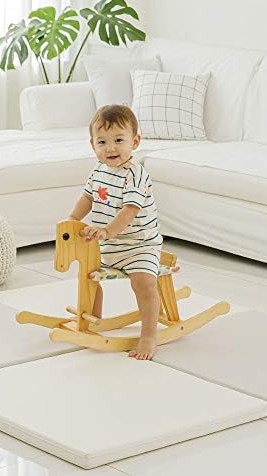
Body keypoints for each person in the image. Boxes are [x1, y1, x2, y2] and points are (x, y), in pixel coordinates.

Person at [68, 104, 163, 360]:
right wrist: (72, 219)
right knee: (87, 276)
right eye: (102, 142)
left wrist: (107, 230)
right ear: (93, 145)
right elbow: (87, 198)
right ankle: (93, 320)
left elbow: (129, 211)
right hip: (106, 244)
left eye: (119, 140)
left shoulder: (136, 175)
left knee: (143, 282)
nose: (110, 148)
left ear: (135, 141)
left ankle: (149, 336)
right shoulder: (98, 171)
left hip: (139, 246)